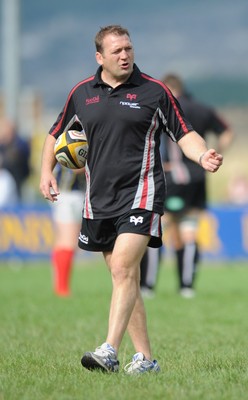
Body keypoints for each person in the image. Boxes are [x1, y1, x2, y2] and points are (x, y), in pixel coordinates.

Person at [39, 25, 223, 374]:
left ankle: (108, 351)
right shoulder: (82, 93)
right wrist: (46, 171)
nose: (124, 55)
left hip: (142, 195)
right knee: (125, 280)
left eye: (128, 48)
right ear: (100, 57)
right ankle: (147, 360)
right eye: (116, 51)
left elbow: (184, 133)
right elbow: (55, 133)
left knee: (124, 268)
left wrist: (202, 156)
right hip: (99, 201)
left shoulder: (154, 91)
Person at [141, 74, 233, 299]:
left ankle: (148, 286)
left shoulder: (161, 106)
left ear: (167, 88)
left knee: (157, 230)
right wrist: (213, 153)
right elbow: (227, 133)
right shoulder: (202, 108)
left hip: (169, 176)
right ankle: (186, 286)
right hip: (196, 176)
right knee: (189, 230)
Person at [50, 163, 86, 296]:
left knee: (61, 241)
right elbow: (75, 166)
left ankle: (59, 286)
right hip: (70, 195)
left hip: (66, 193)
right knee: (68, 242)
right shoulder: (75, 141)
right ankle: (62, 289)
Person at [0, 117, 31, 201]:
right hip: (6, 178)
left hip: (18, 177)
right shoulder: (3, 145)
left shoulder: (20, 143)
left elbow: (19, 157)